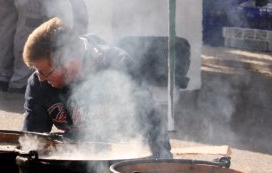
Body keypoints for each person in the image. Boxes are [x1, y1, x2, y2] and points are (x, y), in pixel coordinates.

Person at [21, 17, 172, 159]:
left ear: (68, 62)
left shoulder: (118, 66)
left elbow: (151, 118)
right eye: (36, 71)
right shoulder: (38, 83)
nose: (40, 78)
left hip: (118, 158)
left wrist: (163, 162)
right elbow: (33, 140)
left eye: (44, 72)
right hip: (74, 159)